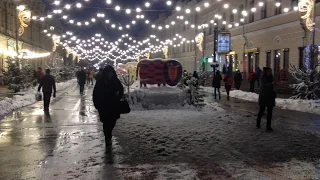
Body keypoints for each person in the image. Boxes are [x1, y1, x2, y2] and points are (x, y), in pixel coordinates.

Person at [93, 65, 124, 145]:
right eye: (108, 72)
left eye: (110, 72)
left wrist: (118, 95)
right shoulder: (101, 81)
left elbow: (121, 89)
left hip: (113, 105)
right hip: (103, 105)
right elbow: (95, 93)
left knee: (112, 121)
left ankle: (108, 132)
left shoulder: (115, 80)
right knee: (106, 122)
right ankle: (107, 135)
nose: (109, 73)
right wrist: (97, 104)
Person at [256, 67, 276, 132]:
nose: (270, 72)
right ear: (266, 72)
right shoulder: (263, 78)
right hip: (264, 96)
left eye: (270, 71)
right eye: (268, 71)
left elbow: (272, 87)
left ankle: (268, 126)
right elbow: (264, 86)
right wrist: (271, 84)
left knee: (270, 112)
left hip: (270, 96)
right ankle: (258, 123)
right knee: (262, 110)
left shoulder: (271, 77)